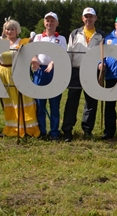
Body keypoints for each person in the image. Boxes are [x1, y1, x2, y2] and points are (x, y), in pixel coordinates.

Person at [62, 7, 105, 142]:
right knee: (71, 102)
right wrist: (67, 70)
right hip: (76, 70)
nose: (88, 19)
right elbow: (69, 52)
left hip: (93, 71)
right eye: (86, 16)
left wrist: (100, 63)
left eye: (91, 16)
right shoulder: (75, 33)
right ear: (82, 18)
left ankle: (87, 129)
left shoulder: (101, 35)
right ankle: (67, 130)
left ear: (95, 18)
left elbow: (103, 53)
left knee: (91, 102)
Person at [0, 19, 40, 138]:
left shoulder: (23, 42)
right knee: (9, 103)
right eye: (7, 29)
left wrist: (34, 60)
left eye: (12, 29)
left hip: (18, 73)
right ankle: (11, 128)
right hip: (3, 74)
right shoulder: (0, 43)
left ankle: (28, 129)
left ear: (17, 30)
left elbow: (31, 54)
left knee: (23, 101)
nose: (10, 31)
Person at [32, 12, 67, 141]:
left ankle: (54, 132)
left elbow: (62, 54)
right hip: (40, 71)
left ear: (57, 23)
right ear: (44, 22)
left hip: (54, 71)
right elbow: (32, 52)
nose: (50, 23)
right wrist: (34, 59)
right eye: (47, 21)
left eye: (53, 21)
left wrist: (53, 62)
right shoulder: (38, 37)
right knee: (39, 103)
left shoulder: (61, 39)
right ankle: (41, 131)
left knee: (54, 104)